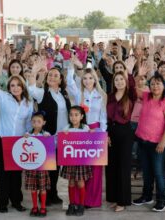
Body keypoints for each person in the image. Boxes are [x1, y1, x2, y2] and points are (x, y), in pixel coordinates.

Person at [0, 54, 33, 213]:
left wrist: (28, 133)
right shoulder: (4, 97)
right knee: (4, 173)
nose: (15, 88)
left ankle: (16, 201)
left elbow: (28, 124)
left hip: (18, 142)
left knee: (16, 173)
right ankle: (2, 202)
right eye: (12, 85)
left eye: (18, 85)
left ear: (22, 86)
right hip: (3, 139)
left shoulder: (28, 104)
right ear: (9, 87)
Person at [132, 74, 165, 212]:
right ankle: (147, 196)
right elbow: (133, 89)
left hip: (158, 143)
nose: (155, 86)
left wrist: (163, 142)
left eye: (158, 83)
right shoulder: (146, 96)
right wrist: (138, 74)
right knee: (146, 171)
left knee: (158, 172)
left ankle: (161, 200)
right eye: (152, 83)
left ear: (164, 86)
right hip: (142, 141)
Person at [27, 64, 70, 205]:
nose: (52, 77)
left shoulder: (64, 94)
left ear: (60, 79)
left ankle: (54, 194)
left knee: (57, 167)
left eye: (55, 75)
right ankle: (44, 195)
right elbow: (31, 88)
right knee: (46, 167)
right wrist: (33, 71)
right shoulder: (42, 93)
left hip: (62, 136)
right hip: (48, 136)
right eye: (50, 75)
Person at [66, 58, 106, 208]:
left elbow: (103, 118)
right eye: (85, 78)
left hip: (95, 132)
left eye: (90, 78)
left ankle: (92, 200)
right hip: (80, 132)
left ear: (95, 80)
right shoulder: (78, 95)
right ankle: (78, 200)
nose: (88, 81)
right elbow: (69, 82)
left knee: (95, 169)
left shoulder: (101, 96)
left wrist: (101, 132)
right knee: (80, 168)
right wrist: (72, 66)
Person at [106, 71, 136, 212]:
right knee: (112, 166)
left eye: (121, 79)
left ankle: (123, 201)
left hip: (125, 132)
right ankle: (114, 198)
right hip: (111, 132)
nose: (119, 82)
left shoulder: (130, 95)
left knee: (123, 167)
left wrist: (128, 73)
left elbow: (132, 85)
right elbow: (105, 116)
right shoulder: (110, 96)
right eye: (116, 80)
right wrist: (106, 134)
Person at [60, 106, 92, 216]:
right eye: (71, 115)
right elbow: (61, 143)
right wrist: (63, 137)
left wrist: (92, 134)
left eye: (76, 115)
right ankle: (72, 204)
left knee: (80, 182)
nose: (73, 117)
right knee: (71, 182)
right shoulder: (66, 128)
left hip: (81, 160)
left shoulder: (86, 128)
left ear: (82, 116)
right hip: (70, 160)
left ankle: (81, 205)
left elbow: (91, 142)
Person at [23, 111, 51, 217]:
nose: (36, 123)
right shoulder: (28, 135)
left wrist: (48, 139)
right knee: (33, 187)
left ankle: (43, 207)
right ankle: (35, 207)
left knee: (42, 188)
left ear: (43, 122)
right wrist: (24, 138)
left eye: (39, 121)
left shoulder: (46, 135)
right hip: (31, 165)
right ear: (31, 122)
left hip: (42, 166)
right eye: (34, 121)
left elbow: (51, 149)